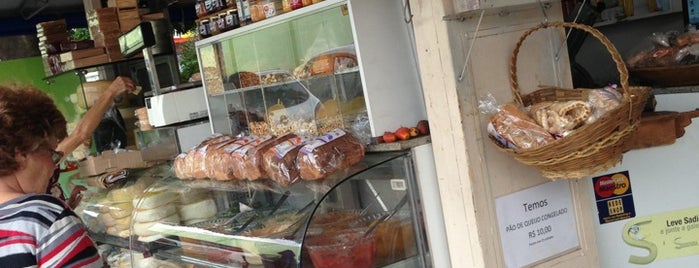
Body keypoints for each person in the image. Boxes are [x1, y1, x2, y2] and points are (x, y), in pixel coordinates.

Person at [0, 77, 133, 266]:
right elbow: (80, 134)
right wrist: (58, 219)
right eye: (50, 153)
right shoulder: (43, 219)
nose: (54, 164)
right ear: (21, 154)